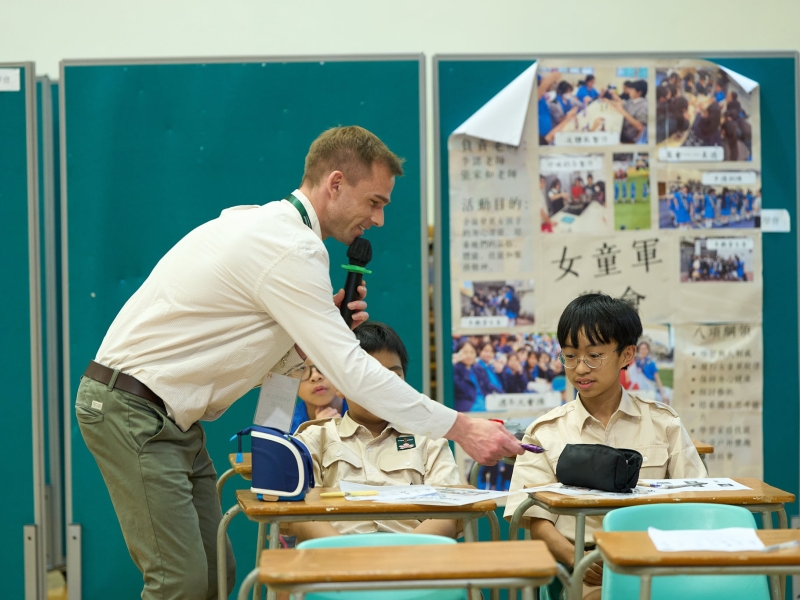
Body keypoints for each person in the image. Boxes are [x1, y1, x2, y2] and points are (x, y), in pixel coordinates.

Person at [74, 125, 522, 600]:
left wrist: (307, 345)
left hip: (170, 418)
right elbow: (354, 373)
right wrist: (462, 428)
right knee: (179, 582)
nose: (379, 219)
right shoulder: (291, 246)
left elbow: (262, 363)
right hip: (133, 409)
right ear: (335, 184)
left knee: (215, 575)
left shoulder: (269, 228)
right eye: (374, 202)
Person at [504, 294, 707, 600]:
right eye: (570, 356)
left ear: (627, 355)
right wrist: (578, 560)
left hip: (657, 559)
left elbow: (697, 501)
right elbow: (535, 521)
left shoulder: (663, 423)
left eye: (594, 355)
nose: (580, 368)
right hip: (583, 563)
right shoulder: (545, 432)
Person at [290, 322, 461, 541]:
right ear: (339, 386)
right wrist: (343, 554)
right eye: (369, 378)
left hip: (415, 555)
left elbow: (449, 512)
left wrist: (404, 555)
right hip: (334, 556)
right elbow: (299, 514)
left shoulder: (429, 440)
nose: (384, 388)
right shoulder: (312, 440)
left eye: (393, 378)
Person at [290, 362, 348, 433]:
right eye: (302, 368)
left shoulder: (360, 407)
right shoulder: (286, 429)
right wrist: (317, 434)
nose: (315, 376)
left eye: (323, 362)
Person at [612, 80, 648, 144]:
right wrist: (608, 101)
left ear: (639, 93)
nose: (629, 91)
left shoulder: (644, 106)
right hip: (622, 129)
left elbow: (640, 127)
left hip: (629, 137)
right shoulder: (632, 100)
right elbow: (623, 103)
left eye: (631, 89)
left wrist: (623, 112)